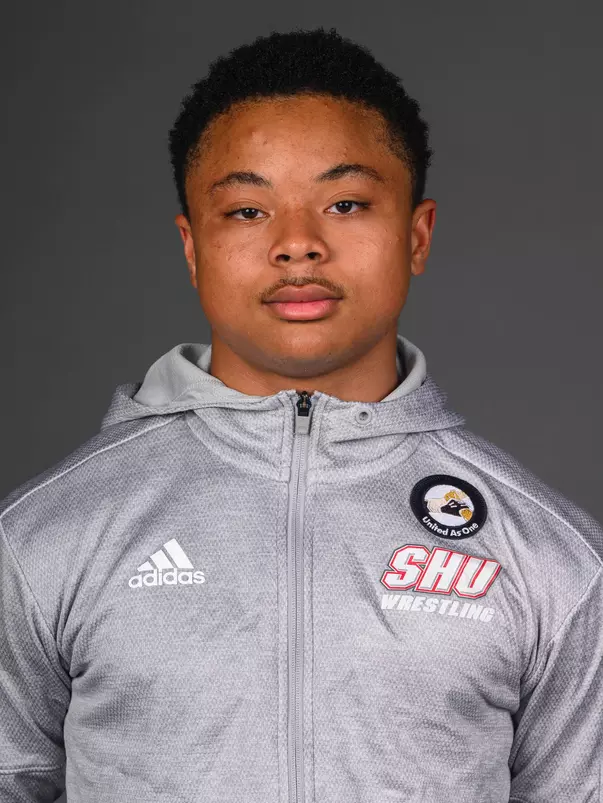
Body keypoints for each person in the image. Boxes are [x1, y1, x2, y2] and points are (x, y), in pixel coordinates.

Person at [0, 27, 601, 803]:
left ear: (415, 235)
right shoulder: (42, 538)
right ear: (192, 247)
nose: (297, 245)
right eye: (247, 211)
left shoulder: (554, 559)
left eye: (345, 202)